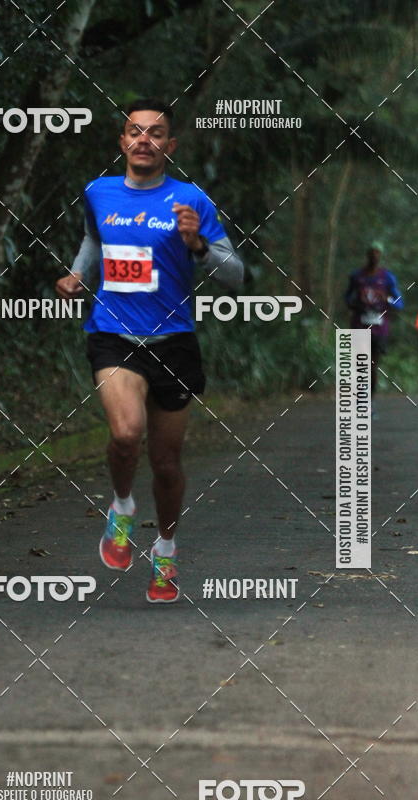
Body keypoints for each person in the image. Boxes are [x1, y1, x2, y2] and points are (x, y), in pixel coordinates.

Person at [55, 98, 243, 603]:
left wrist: (198, 244)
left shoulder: (191, 201)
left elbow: (235, 275)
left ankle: (165, 549)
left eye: (156, 133)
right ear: (122, 142)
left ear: (170, 146)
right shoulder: (98, 192)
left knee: (166, 464)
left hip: (175, 343)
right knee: (126, 433)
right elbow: (95, 241)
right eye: (135, 132)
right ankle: (120, 507)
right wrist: (79, 272)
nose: (144, 140)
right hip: (114, 336)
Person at [344, 240, 404, 394]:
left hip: (379, 328)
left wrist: (387, 300)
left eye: (377, 253)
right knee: (360, 364)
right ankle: (361, 399)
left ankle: (369, 401)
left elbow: (399, 303)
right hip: (359, 325)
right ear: (367, 255)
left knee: (372, 365)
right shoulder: (357, 276)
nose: (374, 255)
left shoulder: (387, 278)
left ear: (381, 256)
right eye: (372, 252)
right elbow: (347, 298)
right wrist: (354, 303)